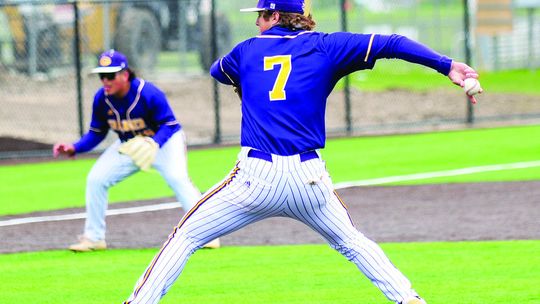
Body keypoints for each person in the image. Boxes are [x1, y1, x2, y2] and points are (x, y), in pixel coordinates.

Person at [123, 1, 481, 303]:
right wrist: (447, 65)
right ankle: (410, 300)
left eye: (262, 15)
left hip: (255, 180)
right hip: (308, 180)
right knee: (353, 243)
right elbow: (393, 42)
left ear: (276, 17)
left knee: (186, 237)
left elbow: (219, 71)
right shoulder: (327, 46)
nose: (256, 21)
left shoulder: (246, 49)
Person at [53, 50, 220, 252]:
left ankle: (207, 233)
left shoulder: (148, 93)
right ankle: (94, 238)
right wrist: (75, 147)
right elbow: (96, 133)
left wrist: (154, 143)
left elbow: (169, 124)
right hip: (131, 145)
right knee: (96, 179)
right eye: (101, 76)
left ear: (125, 75)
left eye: (110, 75)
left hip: (165, 142)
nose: (105, 81)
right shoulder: (102, 99)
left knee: (178, 179)